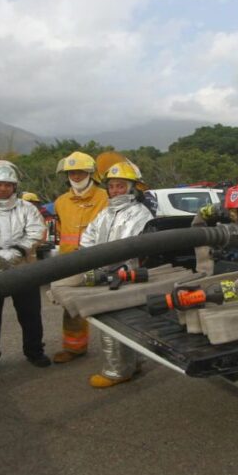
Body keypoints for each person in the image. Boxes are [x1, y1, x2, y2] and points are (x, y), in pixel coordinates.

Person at [0, 160, 49, 376]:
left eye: (8, 184)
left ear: (15, 186)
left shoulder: (27, 208)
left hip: (23, 271)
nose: (3, 188)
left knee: (31, 315)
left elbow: (36, 231)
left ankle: (34, 351)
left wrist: (15, 252)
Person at [83, 159, 154, 388]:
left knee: (115, 323)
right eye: (112, 186)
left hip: (126, 275)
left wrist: (114, 268)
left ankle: (116, 371)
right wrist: (89, 262)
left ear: (132, 188)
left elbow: (135, 248)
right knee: (121, 322)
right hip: (105, 274)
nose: (115, 190)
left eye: (120, 186)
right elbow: (88, 238)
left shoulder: (140, 213)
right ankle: (133, 363)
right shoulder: (105, 213)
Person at [50, 151, 108, 363]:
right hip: (70, 262)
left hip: (99, 260)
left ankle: (115, 355)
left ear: (90, 173)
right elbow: (61, 230)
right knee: (71, 307)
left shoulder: (105, 197)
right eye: (72, 172)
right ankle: (74, 348)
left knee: (107, 306)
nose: (75, 176)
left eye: (80, 172)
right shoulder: (61, 202)